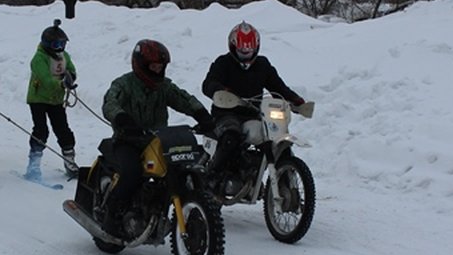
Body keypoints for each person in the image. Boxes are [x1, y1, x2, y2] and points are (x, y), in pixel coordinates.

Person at [100, 39, 213, 236]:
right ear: (141, 65)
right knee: (132, 173)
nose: (157, 70)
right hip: (128, 140)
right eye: (153, 66)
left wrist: (202, 114)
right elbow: (110, 102)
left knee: (186, 168)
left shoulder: (164, 87)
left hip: (158, 140)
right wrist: (122, 118)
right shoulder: (124, 84)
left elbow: (183, 99)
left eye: (160, 67)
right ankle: (111, 216)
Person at [200, 21, 305, 193]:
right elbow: (208, 84)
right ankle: (212, 177)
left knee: (276, 139)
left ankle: (283, 183)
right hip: (226, 112)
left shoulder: (262, 65)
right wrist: (219, 90)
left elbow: (278, 86)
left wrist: (295, 100)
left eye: (249, 51)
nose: (246, 55)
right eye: (242, 51)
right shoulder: (223, 63)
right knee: (231, 136)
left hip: (253, 114)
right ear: (233, 47)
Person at [25, 19, 79, 180]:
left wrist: (71, 77)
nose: (60, 48)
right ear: (47, 44)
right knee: (41, 131)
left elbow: (71, 69)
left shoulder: (64, 56)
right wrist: (62, 83)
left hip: (56, 100)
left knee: (64, 131)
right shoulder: (38, 59)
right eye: (56, 45)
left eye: (62, 44)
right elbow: (46, 80)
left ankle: (70, 162)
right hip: (38, 99)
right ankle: (33, 166)